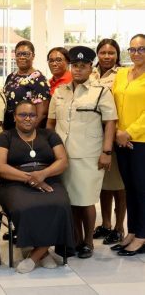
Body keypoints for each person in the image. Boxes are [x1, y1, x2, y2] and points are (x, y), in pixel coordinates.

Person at [47, 46, 117, 259]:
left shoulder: (101, 92)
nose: (77, 70)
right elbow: (51, 123)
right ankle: (75, 239)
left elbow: (110, 123)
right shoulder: (60, 91)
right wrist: (48, 150)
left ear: (90, 67)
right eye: (74, 66)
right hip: (62, 156)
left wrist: (107, 151)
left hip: (88, 155)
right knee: (69, 201)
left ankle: (87, 242)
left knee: (85, 200)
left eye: (82, 66)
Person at [0, 101, 73, 273]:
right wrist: (31, 178)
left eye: (32, 115)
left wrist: (43, 174)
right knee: (26, 206)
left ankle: (36, 254)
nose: (27, 119)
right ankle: (42, 252)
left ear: (37, 118)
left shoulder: (49, 135)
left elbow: (62, 161)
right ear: (14, 117)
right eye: (22, 115)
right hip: (14, 182)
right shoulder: (4, 137)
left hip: (48, 179)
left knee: (60, 205)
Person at [111, 34, 145, 256]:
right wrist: (116, 132)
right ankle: (132, 231)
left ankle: (142, 236)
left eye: (141, 49)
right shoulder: (122, 74)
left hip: (140, 141)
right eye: (132, 49)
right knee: (129, 188)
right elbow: (111, 105)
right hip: (119, 139)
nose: (136, 54)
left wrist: (129, 133)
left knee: (142, 189)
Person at [90, 39, 126, 245]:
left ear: (117, 55)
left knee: (119, 185)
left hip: (114, 134)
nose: (106, 56)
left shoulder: (121, 75)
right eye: (102, 52)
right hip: (96, 136)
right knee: (104, 184)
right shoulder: (92, 74)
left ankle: (119, 227)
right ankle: (105, 224)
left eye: (111, 53)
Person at [3, 40, 50, 130]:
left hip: (27, 129)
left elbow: (42, 113)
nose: (22, 57)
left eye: (26, 54)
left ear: (33, 56)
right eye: (19, 54)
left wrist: (27, 132)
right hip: (9, 128)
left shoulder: (39, 79)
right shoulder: (11, 77)